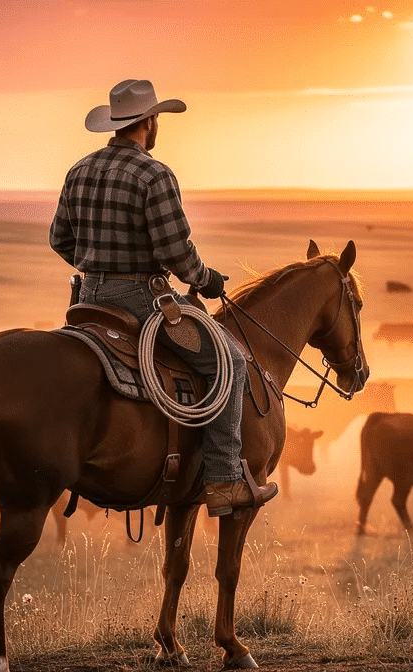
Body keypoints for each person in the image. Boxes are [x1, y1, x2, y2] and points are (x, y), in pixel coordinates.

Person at [49, 79, 276, 516]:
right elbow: (176, 252)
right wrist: (207, 279)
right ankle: (224, 479)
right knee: (230, 362)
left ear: (115, 123)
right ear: (150, 122)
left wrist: (97, 263)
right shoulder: (154, 174)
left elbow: (59, 239)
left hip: (87, 298)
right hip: (139, 298)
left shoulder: (79, 170)